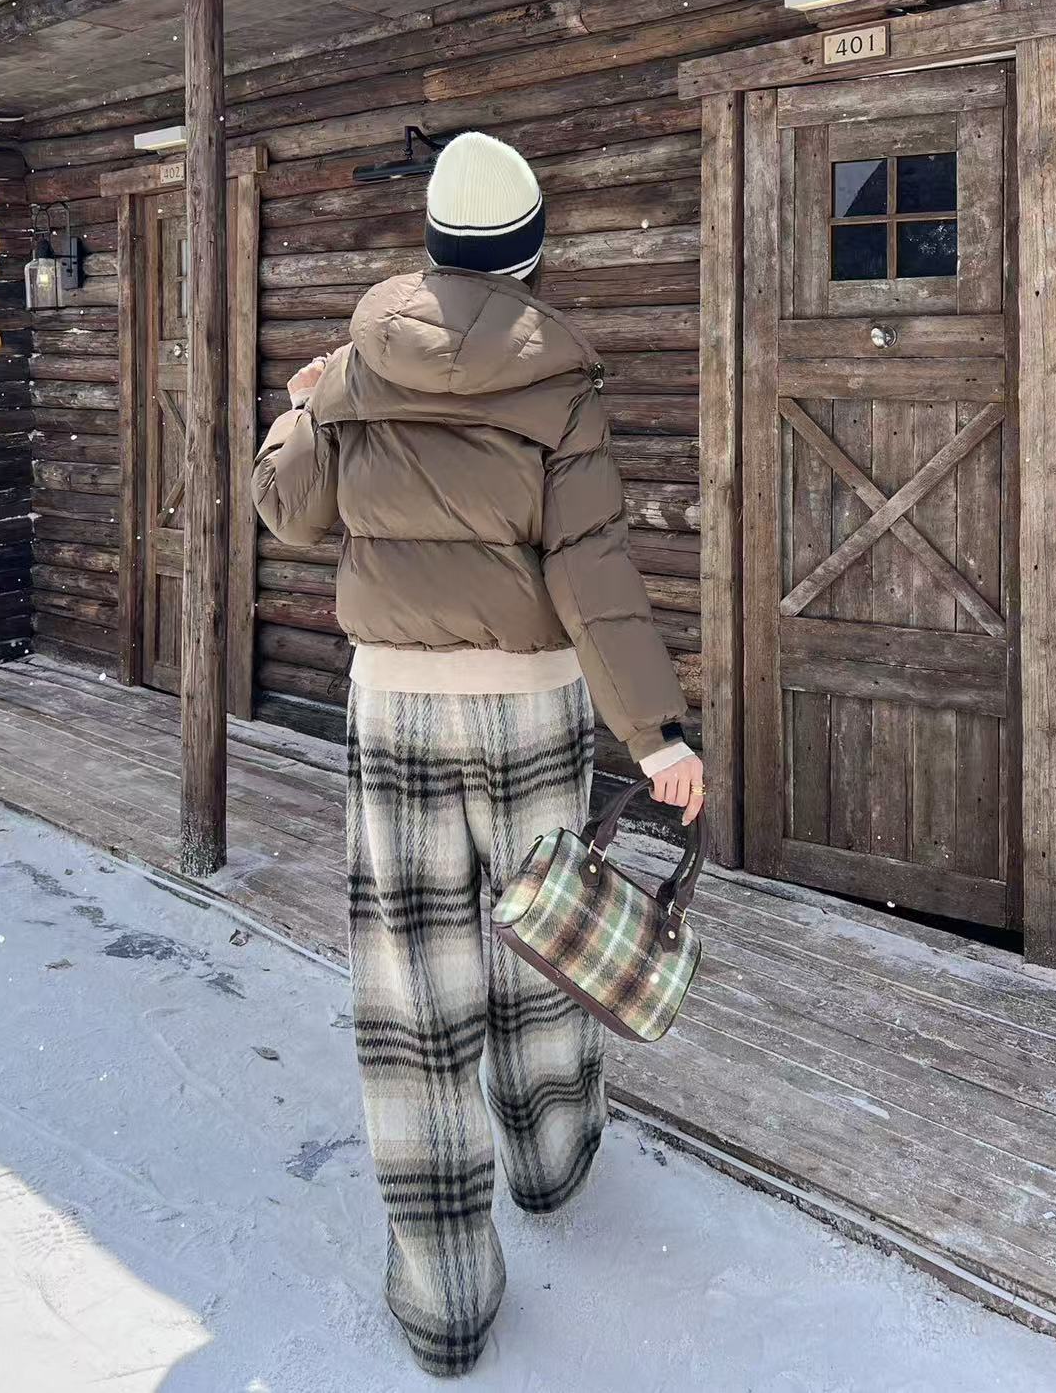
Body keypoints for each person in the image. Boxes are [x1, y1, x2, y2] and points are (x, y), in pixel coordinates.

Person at [251, 130, 703, 1377]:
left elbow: (287, 511)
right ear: (528, 250)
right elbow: (592, 571)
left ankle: (444, 1296)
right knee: (546, 941)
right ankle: (549, 1161)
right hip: (530, 707)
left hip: (393, 706)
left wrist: (299, 408)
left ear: (436, 244)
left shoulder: (356, 367)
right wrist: (654, 731)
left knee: (412, 991)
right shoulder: (559, 381)